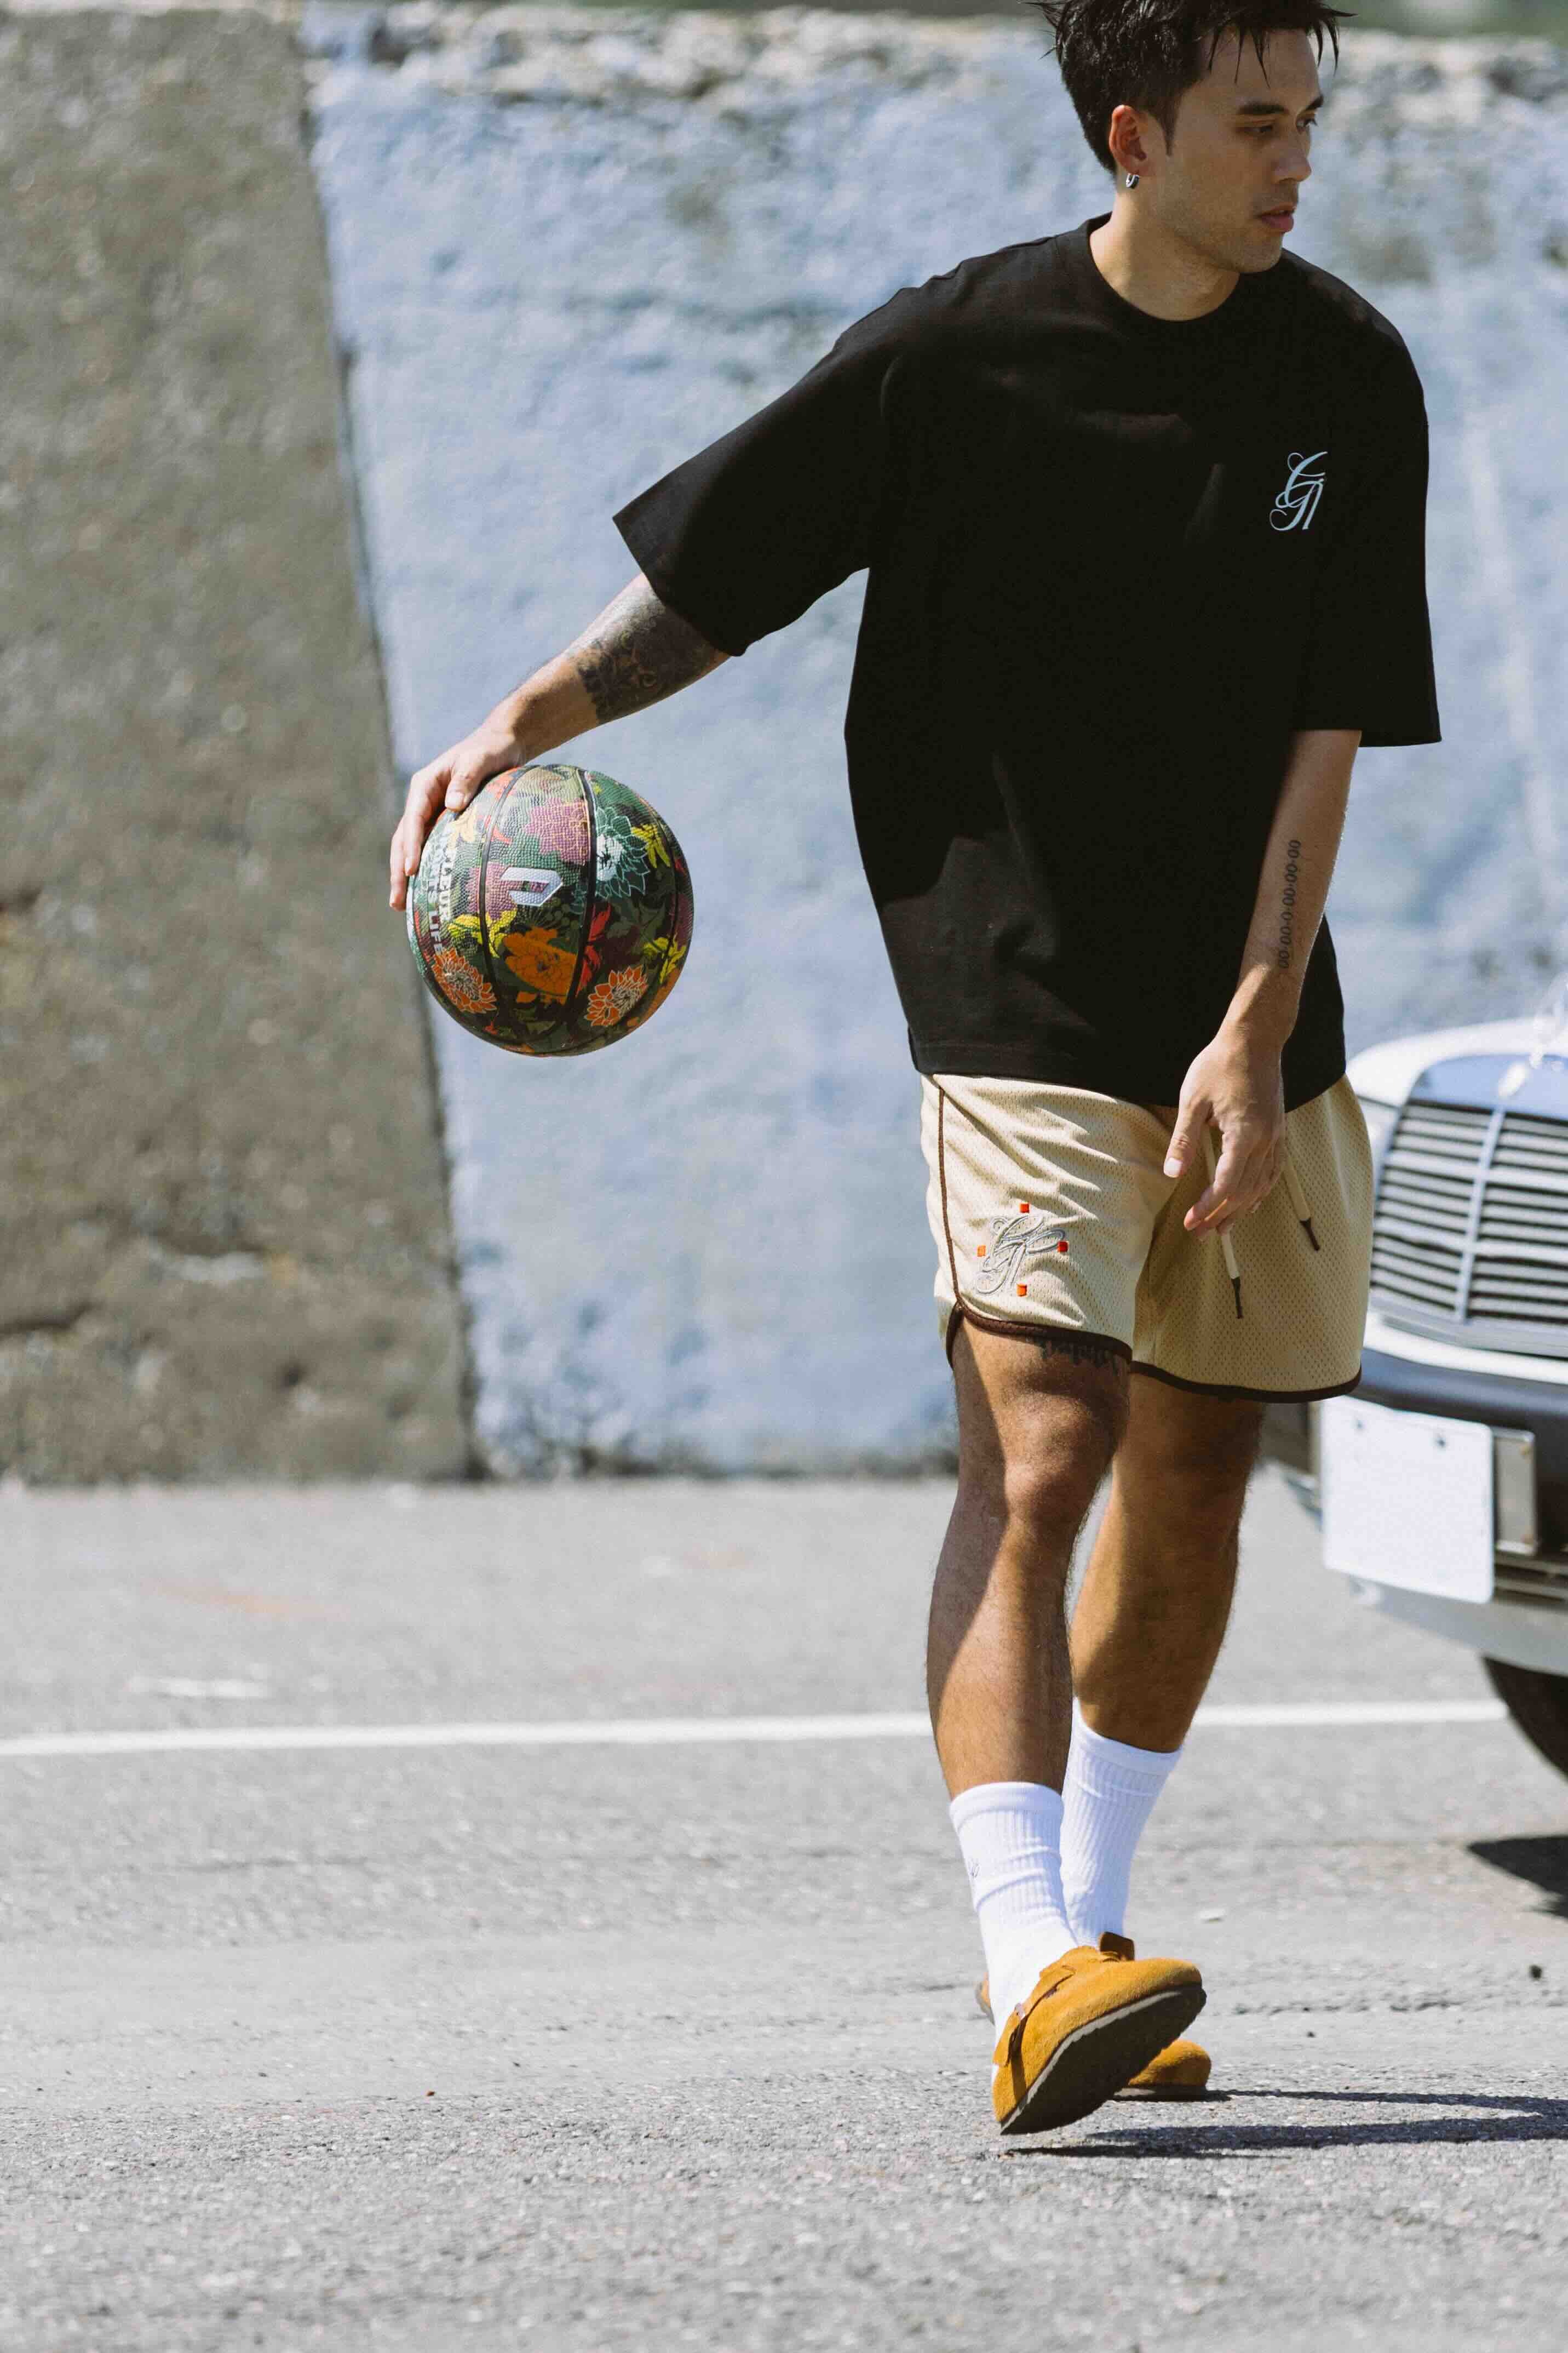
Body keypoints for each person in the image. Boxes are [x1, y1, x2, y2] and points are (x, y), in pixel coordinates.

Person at [388, 0, 1439, 2135]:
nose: (1295, 161)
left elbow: (1325, 732)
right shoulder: (953, 359)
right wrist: (520, 724)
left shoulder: (1346, 374)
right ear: (1132, 136)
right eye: (1255, 124)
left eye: (1307, 119)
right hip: (1007, 985)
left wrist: (1254, 1026)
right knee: (1043, 1446)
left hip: (1249, 1011)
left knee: (1199, 1470)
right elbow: (720, 583)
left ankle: (1094, 1944)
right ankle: (1026, 1954)